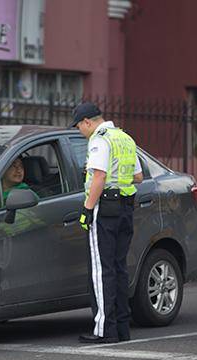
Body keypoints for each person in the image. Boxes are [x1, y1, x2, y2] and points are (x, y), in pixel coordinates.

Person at [70, 102, 144, 344]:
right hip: (125, 207)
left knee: (102, 270)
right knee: (119, 267)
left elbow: (99, 176)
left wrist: (87, 209)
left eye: (79, 126)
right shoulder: (125, 138)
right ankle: (122, 327)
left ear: (87, 122)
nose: (80, 131)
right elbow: (138, 176)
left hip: (105, 209)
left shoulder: (100, 140)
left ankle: (104, 329)